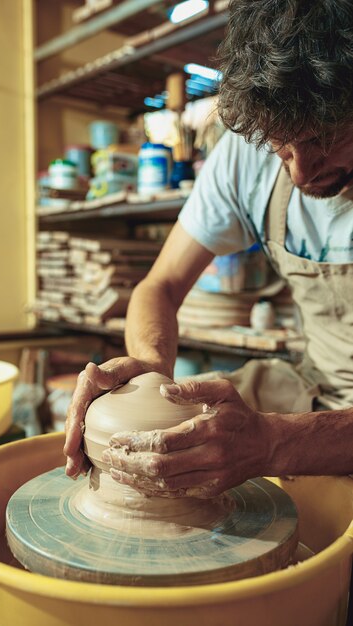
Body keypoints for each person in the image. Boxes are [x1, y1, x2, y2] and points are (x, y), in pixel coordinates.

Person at [64, 0, 353, 498]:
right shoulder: (247, 151)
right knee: (181, 434)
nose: (301, 173)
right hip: (317, 384)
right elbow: (162, 284)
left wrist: (273, 443)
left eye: (324, 139)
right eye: (282, 148)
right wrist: (151, 374)